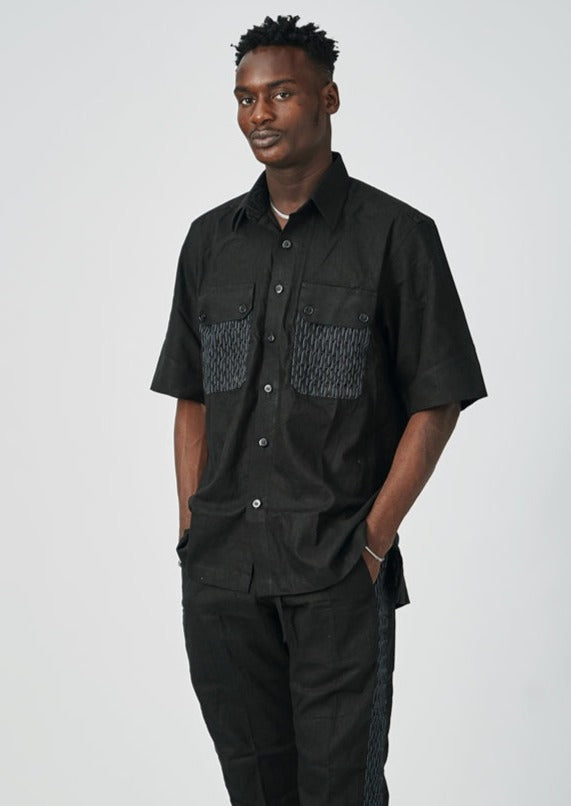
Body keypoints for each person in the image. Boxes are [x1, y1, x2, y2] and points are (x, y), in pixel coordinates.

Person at [150, 14, 487, 806]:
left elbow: (437, 399)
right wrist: (192, 529)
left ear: (328, 98)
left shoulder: (396, 236)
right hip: (223, 575)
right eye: (244, 98)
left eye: (280, 94)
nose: (258, 114)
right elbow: (191, 394)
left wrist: (371, 542)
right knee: (255, 789)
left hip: (336, 572)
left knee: (341, 792)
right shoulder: (209, 243)